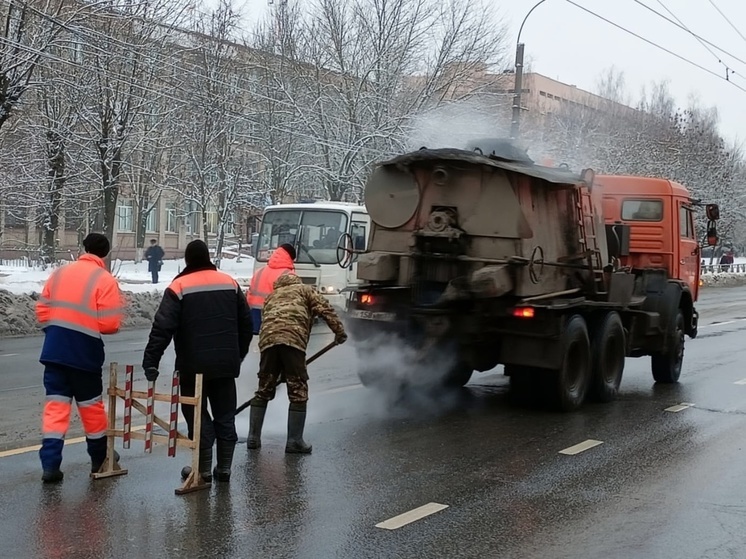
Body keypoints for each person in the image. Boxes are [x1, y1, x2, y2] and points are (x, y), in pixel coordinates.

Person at [142, 240, 253, 483]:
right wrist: (237, 354)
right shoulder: (230, 283)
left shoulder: (179, 286)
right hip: (225, 366)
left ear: (188, 260)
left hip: (193, 367)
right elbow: (247, 325)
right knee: (225, 415)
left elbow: (163, 327)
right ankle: (224, 468)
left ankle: (201, 470)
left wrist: (151, 361)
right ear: (208, 258)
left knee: (196, 413)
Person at [35, 232, 124, 483]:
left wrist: (56, 330)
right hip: (84, 354)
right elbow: (109, 323)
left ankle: (50, 466)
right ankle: (99, 460)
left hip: (54, 352)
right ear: (105, 253)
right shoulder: (104, 279)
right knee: (91, 409)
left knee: (55, 410)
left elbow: (42, 310)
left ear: (83, 248)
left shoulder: (60, 273)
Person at [246, 273, 347, 454]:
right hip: (293, 341)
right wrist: (339, 332)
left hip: (268, 342)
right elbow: (325, 309)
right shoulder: (305, 290)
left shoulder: (271, 296)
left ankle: (253, 437)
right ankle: (294, 441)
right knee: (298, 390)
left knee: (264, 388)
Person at [247, 243, 296, 334]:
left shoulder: (260, 271)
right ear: (291, 258)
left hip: (254, 313)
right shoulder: (288, 274)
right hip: (274, 313)